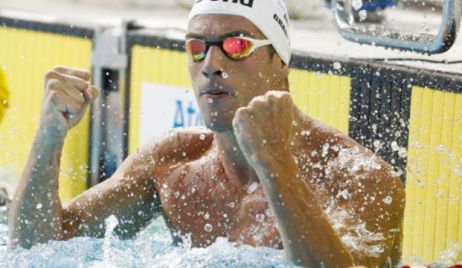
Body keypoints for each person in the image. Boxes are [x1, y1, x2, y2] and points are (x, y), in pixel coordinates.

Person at [9, 0, 405, 266]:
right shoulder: (173, 163)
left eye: (236, 45)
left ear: (280, 60)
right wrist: (48, 138)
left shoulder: (355, 176)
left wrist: (275, 164)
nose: (211, 63)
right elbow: (40, 251)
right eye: (197, 47)